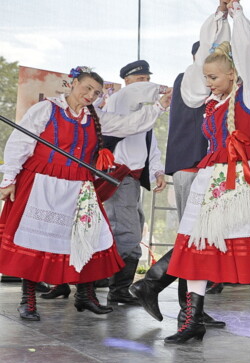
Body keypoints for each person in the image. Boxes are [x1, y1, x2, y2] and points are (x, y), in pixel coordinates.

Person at [163, 0, 250, 344]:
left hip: (244, 180)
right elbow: (197, 71)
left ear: (233, 74)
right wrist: (218, 21)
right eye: (206, 77)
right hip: (213, 180)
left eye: (213, 77)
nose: (207, 83)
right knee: (197, 248)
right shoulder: (212, 103)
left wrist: (237, 15)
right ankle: (193, 321)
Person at [0, 67, 170, 321]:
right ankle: (28, 300)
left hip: (79, 185)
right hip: (42, 183)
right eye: (87, 88)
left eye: (96, 92)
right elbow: (20, 143)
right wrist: (9, 178)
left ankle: (84, 295)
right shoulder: (46, 110)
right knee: (37, 239)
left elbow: (129, 124)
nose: (90, 95)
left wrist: (159, 106)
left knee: (89, 236)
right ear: (72, 84)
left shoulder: (96, 117)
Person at [128, 42, 233, 329]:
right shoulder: (198, 81)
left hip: (196, 168)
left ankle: (189, 310)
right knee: (195, 238)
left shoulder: (190, 80)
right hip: (197, 167)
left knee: (198, 238)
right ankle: (152, 286)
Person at [90, 59, 168, 306]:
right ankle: (117, 289)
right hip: (118, 176)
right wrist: (165, 90)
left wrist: (156, 172)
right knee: (127, 232)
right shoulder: (120, 99)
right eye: (140, 78)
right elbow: (136, 92)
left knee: (132, 228)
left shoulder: (143, 114)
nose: (144, 82)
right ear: (127, 81)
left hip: (132, 179)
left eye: (147, 78)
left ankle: (116, 286)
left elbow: (149, 146)